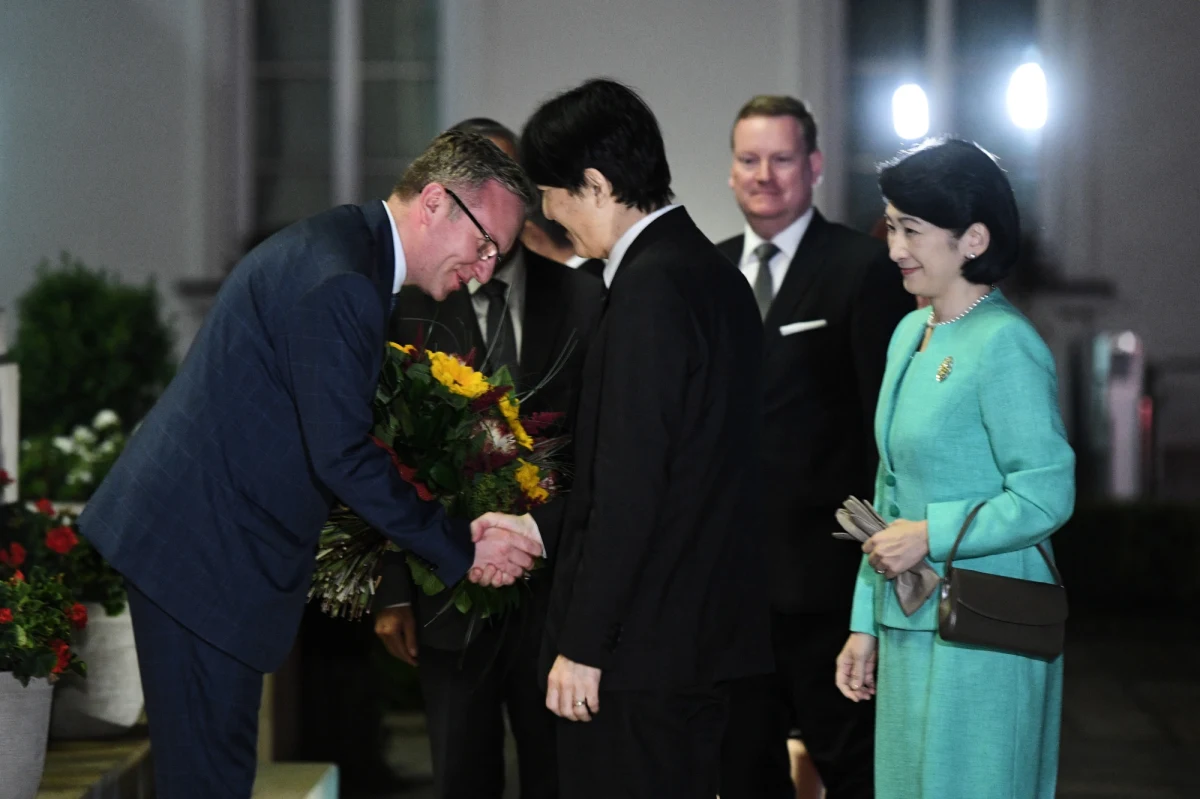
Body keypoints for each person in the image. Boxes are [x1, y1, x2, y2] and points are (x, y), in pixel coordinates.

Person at [77, 130, 545, 798]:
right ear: (436, 202)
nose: (484, 270)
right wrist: (459, 548)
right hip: (201, 554)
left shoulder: (350, 250)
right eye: (485, 245)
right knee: (207, 782)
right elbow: (343, 453)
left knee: (211, 776)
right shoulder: (343, 280)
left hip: (204, 546)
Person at [474, 78, 772, 798]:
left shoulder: (648, 290)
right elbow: (687, 467)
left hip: (639, 652)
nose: (548, 217)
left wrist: (584, 644)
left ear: (597, 185)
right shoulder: (716, 275)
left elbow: (632, 486)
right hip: (708, 637)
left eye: (552, 195)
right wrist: (539, 528)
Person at [835, 138, 1074, 798]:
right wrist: (864, 623)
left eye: (911, 229)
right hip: (908, 617)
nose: (894, 247)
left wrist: (929, 534)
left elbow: (1046, 494)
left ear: (973, 238)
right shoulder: (909, 334)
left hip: (985, 625)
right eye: (891, 225)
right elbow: (887, 490)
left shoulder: (1006, 343)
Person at [373, 117, 605, 799]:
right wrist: (392, 588)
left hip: (556, 592)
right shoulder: (405, 303)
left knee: (560, 775)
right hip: (446, 589)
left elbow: (600, 446)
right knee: (460, 774)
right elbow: (380, 446)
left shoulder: (583, 296)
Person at [717, 95, 912, 799]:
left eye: (781, 158)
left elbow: (882, 429)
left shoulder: (863, 267)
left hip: (828, 583)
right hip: (730, 590)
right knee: (743, 770)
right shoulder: (708, 270)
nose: (763, 175)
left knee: (853, 766)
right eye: (749, 159)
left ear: (815, 165)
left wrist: (874, 568)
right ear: (731, 170)